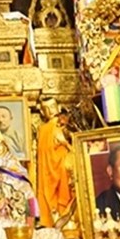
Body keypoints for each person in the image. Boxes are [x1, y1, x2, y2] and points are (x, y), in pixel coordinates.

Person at [36, 97, 73, 228]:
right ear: (42, 112)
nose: (50, 111)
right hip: (47, 168)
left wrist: (64, 143)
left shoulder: (67, 124)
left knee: (65, 191)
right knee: (46, 192)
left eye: (52, 106)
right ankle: (49, 221)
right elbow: (42, 153)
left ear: (59, 107)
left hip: (63, 163)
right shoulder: (42, 129)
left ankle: (66, 218)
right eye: (46, 108)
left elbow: (77, 146)